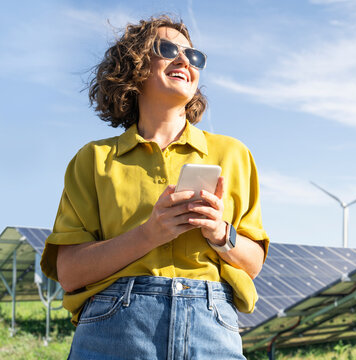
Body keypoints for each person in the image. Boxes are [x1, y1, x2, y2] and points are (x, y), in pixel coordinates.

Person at [40, 15, 268, 360]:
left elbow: (252, 265)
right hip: (114, 329)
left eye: (194, 56)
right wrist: (149, 234)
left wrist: (220, 233)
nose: (183, 61)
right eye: (167, 49)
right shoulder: (93, 159)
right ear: (133, 66)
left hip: (211, 328)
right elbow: (69, 274)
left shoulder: (235, 155)